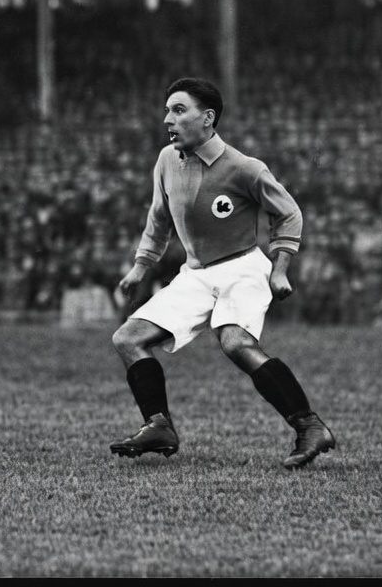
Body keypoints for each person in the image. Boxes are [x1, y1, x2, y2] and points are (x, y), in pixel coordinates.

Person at [112, 78, 335, 469]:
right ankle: (159, 425)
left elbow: (289, 213)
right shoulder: (166, 160)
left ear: (208, 118)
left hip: (242, 268)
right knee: (128, 338)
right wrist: (140, 267)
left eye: (179, 110)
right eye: (167, 110)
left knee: (235, 343)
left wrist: (280, 268)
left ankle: (310, 426)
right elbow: (158, 219)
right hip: (196, 273)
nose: (168, 119)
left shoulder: (244, 168)